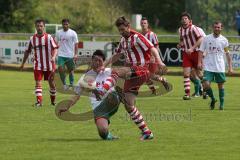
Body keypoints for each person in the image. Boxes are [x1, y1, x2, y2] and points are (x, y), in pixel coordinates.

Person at [96, 16, 166, 140]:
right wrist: (104, 65)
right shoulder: (123, 39)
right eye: (120, 30)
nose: (122, 32)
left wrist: (160, 62)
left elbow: (153, 48)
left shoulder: (137, 37)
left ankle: (102, 90)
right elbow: (116, 54)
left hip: (141, 69)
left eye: (123, 29)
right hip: (134, 75)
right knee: (129, 105)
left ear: (128, 26)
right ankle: (147, 132)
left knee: (116, 72)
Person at [58, 50, 120, 140]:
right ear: (91, 61)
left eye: (100, 61)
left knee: (114, 94)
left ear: (103, 62)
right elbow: (76, 95)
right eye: (95, 60)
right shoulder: (84, 78)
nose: (97, 63)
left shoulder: (108, 72)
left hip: (111, 101)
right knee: (103, 133)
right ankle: (108, 133)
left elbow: (119, 67)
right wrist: (67, 106)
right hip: (98, 108)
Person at [20, 19, 58, 107]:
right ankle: (39, 102)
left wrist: (53, 56)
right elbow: (27, 51)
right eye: (38, 26)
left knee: (52, 83)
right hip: (38, 64)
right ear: (35, 27)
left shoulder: (49, 37)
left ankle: (53, 102)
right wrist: (23, 63)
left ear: (44, 27)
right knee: (38, 82)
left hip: (49, 64)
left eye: (41, 26)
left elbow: (55, 47)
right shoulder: (32, 39)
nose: (39, 27)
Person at [198, 21, 233, 110]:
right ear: (212, 28)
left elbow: (227, 54)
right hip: (208, 66)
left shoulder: (224, 40)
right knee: (205, 84)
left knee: (220, 85)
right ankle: (213, 99)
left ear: (221, 28)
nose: (217, 29)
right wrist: (199, 62)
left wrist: (230, 67)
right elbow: (201, 51)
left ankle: (221, 105)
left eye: (218, 27)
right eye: (215, 27)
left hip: (220, 67)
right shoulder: (206, 38)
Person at [177, 12, 203, 100]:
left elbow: (201, 38)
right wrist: (180, 44)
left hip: (196, 52)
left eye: (186, 19)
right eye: (183, 19)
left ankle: (205, 91)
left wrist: (192, 48)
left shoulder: (193, 28)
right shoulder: (180, 30)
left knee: (200, 74)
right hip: (186, 54)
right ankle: (187, 94)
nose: (184, 20)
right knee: (186, 74)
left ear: (189, 20)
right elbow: (181, 40)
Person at [140, 17, 168, 94]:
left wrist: (154, 57)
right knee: (144, 75)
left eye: (145, 23)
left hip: (151, 58)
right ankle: (153, 90)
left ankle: (163, 80)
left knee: (151, 76)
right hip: (143, 59)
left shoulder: (152, 34)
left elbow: (156, 47)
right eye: (142, 23)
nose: (143, 25)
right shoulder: (139, 35)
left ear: (147, 24)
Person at [55, 19, 78, 90]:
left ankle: (71, 84)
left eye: (66, 24)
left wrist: (76, 54)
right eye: (64, 24)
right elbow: (55, 43)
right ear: (62, 25)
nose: (65, 25)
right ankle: (64, 84)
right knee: (61, 69)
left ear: (69, 24)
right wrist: (55, 53)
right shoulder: (58, 33)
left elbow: (76, 44)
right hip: (61, 55)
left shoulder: (73, 33)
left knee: (70, 70)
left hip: (70, 55)